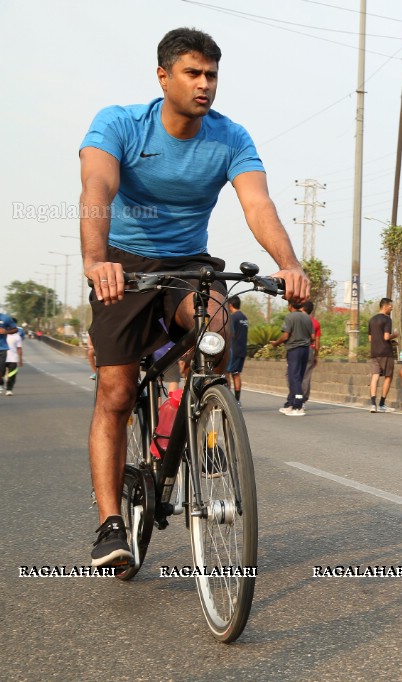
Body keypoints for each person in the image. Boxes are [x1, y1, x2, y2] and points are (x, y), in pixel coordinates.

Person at [80, 27, 309, 569]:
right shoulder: (120, 124)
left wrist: (289, 263)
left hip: (187, 264)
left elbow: (258, 204)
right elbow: (96, 189)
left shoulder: (231, 137)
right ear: (163, 77)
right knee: (114, 392)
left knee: (220, 323)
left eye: (211, 75)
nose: (205, 84)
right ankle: (111, 524)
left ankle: (197, 418)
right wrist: (96, 261)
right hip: (125, 265)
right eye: (193, 73)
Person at [270, 301, 314, 416]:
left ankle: (298, 406)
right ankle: (290, 404)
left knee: (293, 377)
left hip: (294, 350)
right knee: (298, 377)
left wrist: (276, 343)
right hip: (305, 350)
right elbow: (313, 337)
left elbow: (285, 336)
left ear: (290, 306)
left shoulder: (290, 317)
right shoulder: (307, 318)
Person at [367, 297, 397, 412]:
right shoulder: (387, 319)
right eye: (390, 306)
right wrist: (394, 335)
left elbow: (370, 338)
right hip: (385, 352)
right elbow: (386, 337)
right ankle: (382, 404)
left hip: (374, 352)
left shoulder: (372, 320)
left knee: (375, 377)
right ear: (384, 306)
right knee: (388, 376)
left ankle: (373, 404)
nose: (391, 308)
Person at [226, 295, 248, 404]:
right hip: (242, 349)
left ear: (230, 305)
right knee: (236, 374)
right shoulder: (244, 317)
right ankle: (237, 400)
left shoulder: (232, 317)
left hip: (233, 349)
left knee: (227, 373)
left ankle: (229, 400)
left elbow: (231, 333)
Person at [300, 300, 321, 402]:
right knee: (306, 376)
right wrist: (316, 355)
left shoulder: (298, 320)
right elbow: (317, 341)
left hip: (297, 349)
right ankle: (303, 399)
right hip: (309, 350)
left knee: (293, 374)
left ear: (303, 308)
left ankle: (295, 397)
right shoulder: (316, 323)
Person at [4, 318, 23, 395]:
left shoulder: (17, 336)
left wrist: (20, 359)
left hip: (13, 359)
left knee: (12, 375)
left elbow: (19, 348)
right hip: (2, 358)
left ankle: (9, 389)